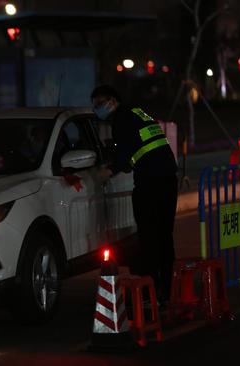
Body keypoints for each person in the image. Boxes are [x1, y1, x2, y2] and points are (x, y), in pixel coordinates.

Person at [91, 85, 178, 303]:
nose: (97, 108)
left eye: (100, 103)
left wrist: (108, 171)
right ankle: (165, 291)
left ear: (113, 101)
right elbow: (139, 147)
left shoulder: (120, 120)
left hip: (151, 181)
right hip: (167, 178)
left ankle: (150, 290)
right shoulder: (137, 113)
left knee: (149, 236)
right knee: (164, 235)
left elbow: (124, 153)